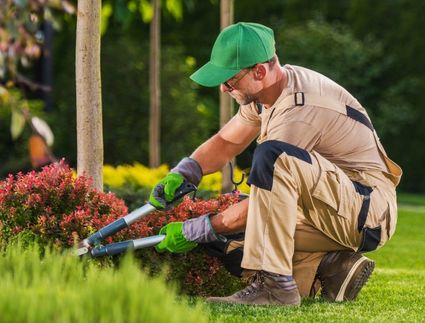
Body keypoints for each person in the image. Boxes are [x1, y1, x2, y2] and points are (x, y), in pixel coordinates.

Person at [149, 22, 402, 306]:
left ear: (259, 71)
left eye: (230, 80)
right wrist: (186, 171)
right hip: (331, 207)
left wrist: (198, 228)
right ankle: (332, 266)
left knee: (269, 163)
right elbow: (227, 142)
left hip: (366, 211)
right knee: (233, 241)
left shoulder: (299, 110)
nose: (222, 88)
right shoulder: (266, 95)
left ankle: (276, 287)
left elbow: (261, 202)